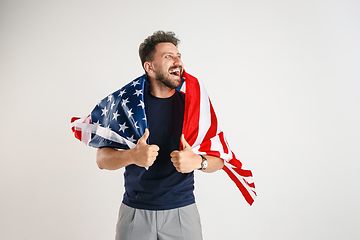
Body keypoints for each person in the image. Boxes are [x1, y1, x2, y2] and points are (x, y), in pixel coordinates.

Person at [70, 30, 255, 240]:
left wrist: (197, 162)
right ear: (149, 67)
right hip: (135, 213)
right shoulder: (127, 105)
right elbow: (101, 160)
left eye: (178, 56)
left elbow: (220, 159)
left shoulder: (194, 105)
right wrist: (132, 156)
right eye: (168, 56)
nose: (178, 61)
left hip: (182, 213)